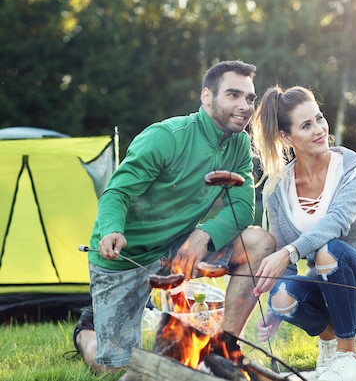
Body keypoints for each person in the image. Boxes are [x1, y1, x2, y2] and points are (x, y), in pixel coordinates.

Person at [72, 60, 275, 375]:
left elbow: (242, 208)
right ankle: (86, 331)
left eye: (250, 98)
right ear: (206, 97)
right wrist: (112, 229)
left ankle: (226, 348)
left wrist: (203, 234)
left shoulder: (239, 144)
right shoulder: (165, 137)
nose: (245, 106)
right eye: (233, 95)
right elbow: (116, 194)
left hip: (177, 248)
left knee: (259, 242)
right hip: (126, 255)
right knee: (115, 368)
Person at [250, 85, 356, 381]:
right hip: (326, 290)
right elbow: (285, 266)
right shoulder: (277, 188)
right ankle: (328, 338)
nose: (319, 129)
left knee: (328, 249)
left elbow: (337, 222)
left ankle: (348, 354)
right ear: (286, 137)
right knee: (279, 298)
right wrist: (278, 311)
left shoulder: (355, 167)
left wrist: (289, 252)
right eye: (306, 125)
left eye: (319, 118)